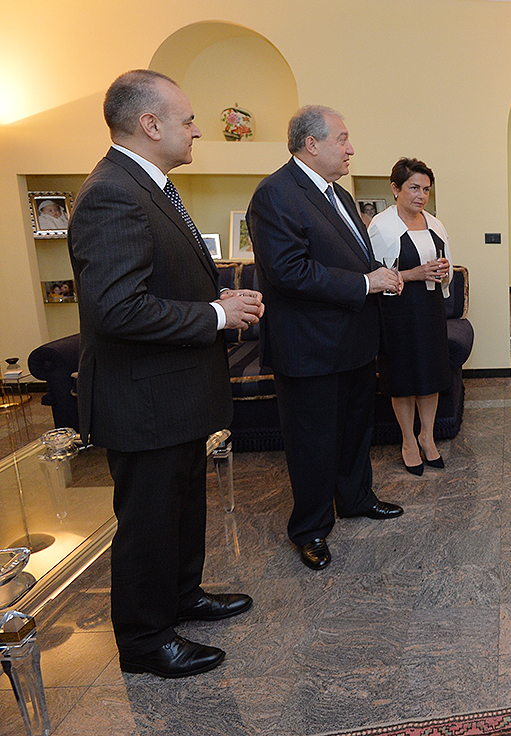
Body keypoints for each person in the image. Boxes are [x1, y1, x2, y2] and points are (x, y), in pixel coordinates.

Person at [69, 69, 263, 678]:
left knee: (180, 507)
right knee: (148, 523)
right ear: (149, 125)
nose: (198, 129)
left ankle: (181, 596)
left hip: (173, 395)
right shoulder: (112, 193)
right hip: (142, 400)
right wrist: (214, 312)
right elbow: (116, 307)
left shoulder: (148, 186)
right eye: (187, 119)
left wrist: (218, 309)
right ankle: (146, 641)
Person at [248, 105, 404, 573]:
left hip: (353, 341)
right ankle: (311, 528)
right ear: (311, 144)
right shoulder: (276, 193)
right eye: (342, 138)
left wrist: (374, 276)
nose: (350, 147)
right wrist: (366, 284)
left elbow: (347, 258)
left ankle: (355, 499)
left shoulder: (337, 194)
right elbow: (289, 271)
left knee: (356, 431)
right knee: (312, 442)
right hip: (309, 348)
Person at [367, 157, 453, 475]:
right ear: (396, 188)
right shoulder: (381, 226)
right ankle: (408, 441)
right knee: (403, 378)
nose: (420, 195)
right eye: (414, 187)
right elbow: (374, 276)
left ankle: (427, 437)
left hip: (431, 309)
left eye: (426, 189)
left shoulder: (435, 224)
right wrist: (416, 273)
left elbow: (447, 268)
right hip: (397, 311)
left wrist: (444, 272)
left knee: (429, 375)